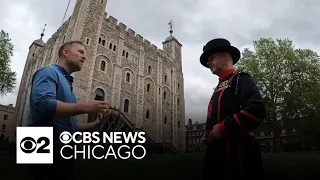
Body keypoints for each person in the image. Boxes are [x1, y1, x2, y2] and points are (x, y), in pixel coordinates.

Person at [27, 40, 110, 179]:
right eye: (81, 52)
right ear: (66, 53)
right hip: (42, 142)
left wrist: (96, 125)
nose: (85, 57)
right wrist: (84, 107)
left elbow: (70, 124)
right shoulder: (48, 72)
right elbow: (42, 105)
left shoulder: (68, 85)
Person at [199, 38, 266, 180]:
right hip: (215, 153)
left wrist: (224, 128)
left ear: (224, 57)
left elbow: (256, 110)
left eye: (211, 58)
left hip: (237, 153)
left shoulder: (241, 80)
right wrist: (209, 132)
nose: (208, 63)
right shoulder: (218, 86)